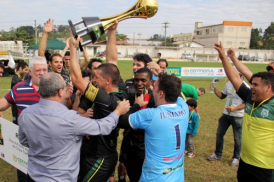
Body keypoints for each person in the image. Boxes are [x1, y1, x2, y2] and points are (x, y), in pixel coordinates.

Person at [18, 72, 130, 182]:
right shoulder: (71, 119)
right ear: (60, 92)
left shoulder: (25, 114)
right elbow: (103, 127)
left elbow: (23, 141)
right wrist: (118, 111)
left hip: (33, 175)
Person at [69, 29, 128, 182]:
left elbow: (76, 79)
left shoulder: (103, 97)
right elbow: (113, 61)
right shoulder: (120, 91)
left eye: (96, 77)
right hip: (100, 153)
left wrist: (73, 48)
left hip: (99, 159)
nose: (93, 80)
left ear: (107, 81)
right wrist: (112, 32)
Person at [215, 41, 274, 182]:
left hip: (266, 168)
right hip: (245, 163)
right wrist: (224, 57)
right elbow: (236, 77)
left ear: (268, 88)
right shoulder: (250, 97)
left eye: (255, 85)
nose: (251, 87)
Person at [118, 73, 189, 182]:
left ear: (161, 93)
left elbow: (120, 121)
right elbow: (176, 90)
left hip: (155, 177)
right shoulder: (183, 108)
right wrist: (161, 73)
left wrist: (137, 105)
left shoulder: (150, 115)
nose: (151, 89)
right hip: (177, 177)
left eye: (154, 87)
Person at [0, 56, 48, 182]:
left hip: (46, 145)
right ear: (30, 72)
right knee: (24, 177)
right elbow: (3, 103)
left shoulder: (53, 89)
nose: (42, 73)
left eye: (44, 69)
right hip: (24, 145)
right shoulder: (19, 88)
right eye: (38, 70)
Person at [119, 68, 154, 182]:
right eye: (136, 80)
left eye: (143, 80)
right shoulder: (130, 98)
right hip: (129, 142)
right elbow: (121, 119)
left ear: (151, 82)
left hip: (146, 146)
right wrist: (136, 106)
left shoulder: (155, 100)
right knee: (129, 171)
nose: (139, 83)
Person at [207, 68, 249, 166]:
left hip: (238, 116)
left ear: (239, 74)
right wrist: (215, 90)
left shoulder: (245, 87)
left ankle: (236, 157)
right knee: (219, 134)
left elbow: (247, 103)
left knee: (237, 138)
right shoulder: (229, 84)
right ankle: (218, 154)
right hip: (225, 115)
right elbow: (222, 96)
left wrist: (235, 108)